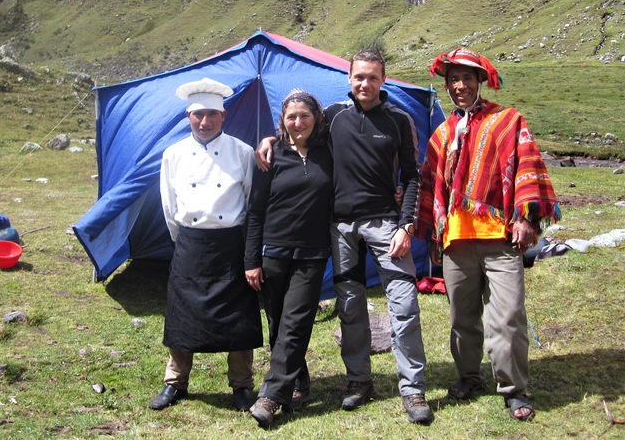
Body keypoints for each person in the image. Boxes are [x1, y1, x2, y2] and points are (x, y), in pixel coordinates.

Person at [256, 50, 432, 424]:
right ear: (349, 79)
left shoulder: (399, 120)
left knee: (403, 304)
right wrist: (268, 141)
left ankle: (412, 389)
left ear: (383, 79)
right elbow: (297, 136)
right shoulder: (333, 117)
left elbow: (412, 176)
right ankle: (358, 381)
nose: (365, 84)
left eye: (372, 77)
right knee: (350, 307)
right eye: (358, 77)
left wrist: (407, 224)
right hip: (341, 227)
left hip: (386, 224)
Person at [416, 48, 561, 421]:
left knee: (508, 314)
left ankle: (514, 388)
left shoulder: (508, 121)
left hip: (500, 239)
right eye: (453, 80)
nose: (460, 85)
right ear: (446, 85)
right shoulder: (441, 135)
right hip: (456, 242)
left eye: (467, 78)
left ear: (481, 80)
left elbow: (527, 165)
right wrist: (434, 236)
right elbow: (432, 188)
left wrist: (526, 217)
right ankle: (469, 376)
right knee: (461, 318)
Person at [150, 78, 263, 412]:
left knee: (239, 318)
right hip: (190, 244)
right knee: (182, 316)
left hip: (231, 245)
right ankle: (175, 383)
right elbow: (168, 205)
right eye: (198, 114)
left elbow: (251, 203)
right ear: (188, 115)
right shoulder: (173, 155)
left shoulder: (242, 152)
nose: (205, 121)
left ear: (223, 116)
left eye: (212, 114)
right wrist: (185, 240)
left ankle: (242, 385)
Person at [244, 89, 334, 427]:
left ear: (316, 118)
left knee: (295, 323)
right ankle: (299, 383)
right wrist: (251, 259)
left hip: (311, 255)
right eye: (291, 116)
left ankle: (270, 397)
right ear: (282, 120)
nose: (298, 122)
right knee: (279, 323)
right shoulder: (271, 156)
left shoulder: (329, 152)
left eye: (304, 116)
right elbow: (255, 212)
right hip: (272, 253)